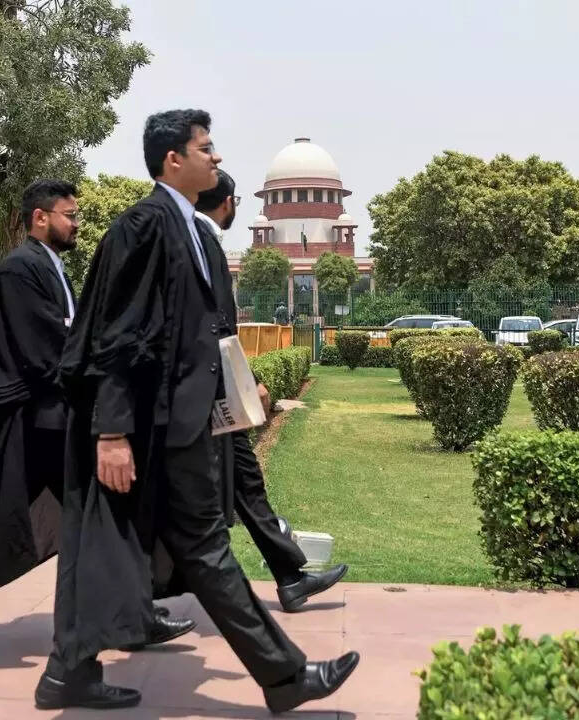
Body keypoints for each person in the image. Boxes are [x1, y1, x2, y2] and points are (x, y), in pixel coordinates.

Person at [34, 109, 358, 713]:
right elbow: (116, 336)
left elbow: (201, 336)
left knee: (133, 545)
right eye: (206, 148)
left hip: (177, 424)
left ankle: (66, 674)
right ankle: (285, 677)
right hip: (141, 428)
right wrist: (111, 433)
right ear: (173, 160)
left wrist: (234, 396)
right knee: (172, 547)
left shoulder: (193, 233)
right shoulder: (143, 227)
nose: (217, 157)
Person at [0, 179, 194, 656]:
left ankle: (131, 613)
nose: (77, 223)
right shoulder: (19, 269)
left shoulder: (49, 266)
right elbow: (46, 347)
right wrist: (101, 377)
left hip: (48, 416)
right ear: (40, 218)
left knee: (104, 509)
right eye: (70, 215)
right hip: (20, 422)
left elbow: (69, 337)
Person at [192, 169, 348, 611]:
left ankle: (290, 576)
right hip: (198, 392)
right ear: (228, 203)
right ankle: (140, 595)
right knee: (188, 497)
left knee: (246, 483)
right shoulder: (198, 243)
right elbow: (215, 327)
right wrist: (246, 382)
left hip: (210, 391)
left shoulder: (202, 241)